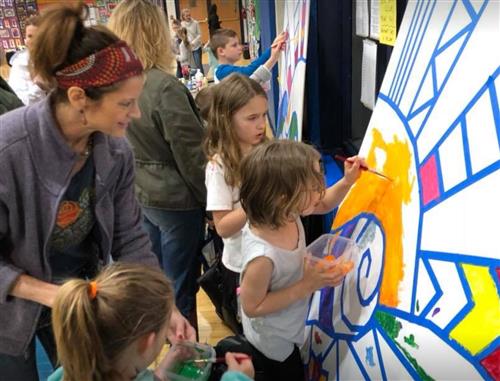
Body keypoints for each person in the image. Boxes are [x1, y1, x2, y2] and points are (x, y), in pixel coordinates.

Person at [0, 4, 193, 380]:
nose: (135, 114)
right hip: (12, 311)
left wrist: (163, 306)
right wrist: (51, 295)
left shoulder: (114, 149)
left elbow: (130, 237)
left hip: (83, 303)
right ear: (78, 98)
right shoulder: (9, 150)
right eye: (125, 103)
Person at [108, 0, 206, 330]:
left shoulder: (111, 86)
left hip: (140, 193)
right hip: (176, 198)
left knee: (154, 277)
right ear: (154, 32)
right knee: (180, 280)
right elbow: (193, 155)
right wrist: (211, 201)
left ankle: (158, 337)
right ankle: (184, 345)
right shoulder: (163, 87)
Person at [236, 140, 364, 380]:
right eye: (314, 185)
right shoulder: (262, 257)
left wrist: (348, 181)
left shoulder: (287, 213)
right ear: (284, 199)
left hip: (291, 321)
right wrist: (307, 284)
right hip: (274, 342)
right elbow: (252, 307)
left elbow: (324, 204)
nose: (322, 188)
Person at [47, 262, 255, 381]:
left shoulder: (66, 373)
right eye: (167, 329)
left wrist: (161, 374)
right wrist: (237, 378)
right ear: (147, 342)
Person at [204, 73, 268, 333]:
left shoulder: (267, 152)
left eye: (264, 115)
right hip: (242, 266)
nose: (261, 124)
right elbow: (223, 227)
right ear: (226, 120)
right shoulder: (220, 167)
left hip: (271, 260)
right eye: (252, 118)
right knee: (253, 336)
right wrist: (255, 199)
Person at [210, 29, 287, 84]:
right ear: (221, 51)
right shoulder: (222, 72)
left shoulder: (224, 70)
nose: (240, 47)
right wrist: (271, 51)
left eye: (239, 44)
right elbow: (249, 71)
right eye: (234, 45)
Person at [7, 14, 46, 105]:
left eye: (38, 36)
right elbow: (18, 104)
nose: (33, 41)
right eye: (30, 36)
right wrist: (39, 86)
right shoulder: (20, 64)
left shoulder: (60, 59)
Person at [181, 8, 204, 74]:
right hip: (188, 48)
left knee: (198, 65)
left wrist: (193, 43)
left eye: (189, 15)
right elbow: (182, 35)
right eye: (186, 16)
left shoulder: (195, 23)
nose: (188, 17)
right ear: (183, 17)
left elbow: (200, 34)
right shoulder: (182, 24)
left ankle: (202, 79)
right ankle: (194, 81)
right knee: (191, 66)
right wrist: (186, 43)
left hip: (196, 47)